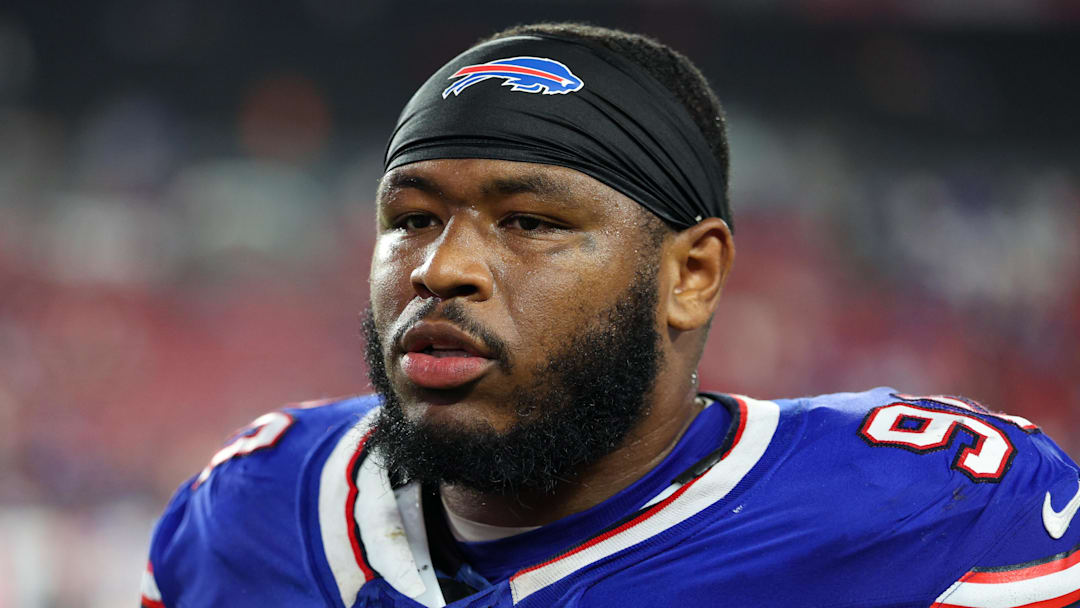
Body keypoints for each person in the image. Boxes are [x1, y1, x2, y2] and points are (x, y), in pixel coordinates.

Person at [141, 23, 1080, 608]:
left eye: (530, 223)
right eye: (412, 219)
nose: (441, 268)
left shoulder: (938, 511)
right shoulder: (248, 509)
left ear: (692, 274)